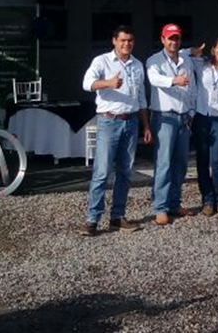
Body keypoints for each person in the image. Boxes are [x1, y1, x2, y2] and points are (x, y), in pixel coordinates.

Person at [79, 25, 151, 236]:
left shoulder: (137, 65)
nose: (126, 44)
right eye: (122, 40)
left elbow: (141, 98)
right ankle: (92, 219)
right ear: (114, 41)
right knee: (102, 171)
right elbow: (86, 83)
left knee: (125, 173)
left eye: (130, 40)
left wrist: (146, 124)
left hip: (131, 122)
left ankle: (117, 217)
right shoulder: (102, 61)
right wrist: (108, 83)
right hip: (109, 121)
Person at [145, 23, 199, 226]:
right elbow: (154, 79)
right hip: (164, 116)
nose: (173, 41)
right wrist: (173, 81)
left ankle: (174, 203)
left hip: (184, 116)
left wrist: (192, 111)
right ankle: (160, 206)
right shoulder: (154, 60)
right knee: (164, 163)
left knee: (181, 163)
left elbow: (193, 87)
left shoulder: (186, 60)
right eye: (170, 38)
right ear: (162, 39)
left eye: (176, 38)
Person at [192, 36, 218, 216]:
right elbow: (181, 55)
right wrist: (194, 51)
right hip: (201, 116)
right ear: (213, 50)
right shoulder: (201, 66)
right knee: (202, 160)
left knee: (216, 161)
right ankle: (207, 199)